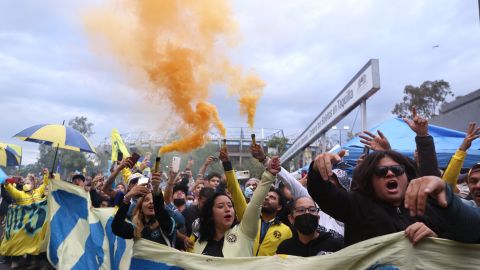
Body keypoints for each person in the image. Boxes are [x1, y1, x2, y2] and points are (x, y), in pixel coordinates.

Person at [192, 157, 279, 257]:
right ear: (211, 214)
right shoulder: (199, 243)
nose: (227, 209)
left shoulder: (245, 232)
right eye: (220, 206)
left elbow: (255, 205)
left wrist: (269, 175)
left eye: (230, 205)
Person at [111, 172, 175, 246]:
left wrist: (156, 189)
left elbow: (160, 212)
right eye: (146, 200)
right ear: (140, 207)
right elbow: (116, 228)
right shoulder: (135, 228)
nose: (151, 202)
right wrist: (127, 198)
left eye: (153, 200)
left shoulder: (166, 224)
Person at [276, 197, 343, 256]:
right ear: (291, 218)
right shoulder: (285, 248)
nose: (307, 213)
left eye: (312, 210)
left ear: (318, 217)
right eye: (301, 210)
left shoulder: (335, 245)